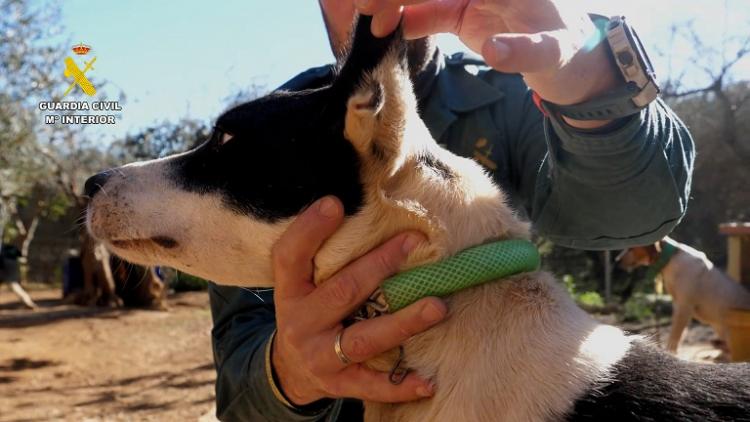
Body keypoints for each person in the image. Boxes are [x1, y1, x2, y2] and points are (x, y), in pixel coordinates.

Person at [209, 1, 694, 420]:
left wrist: (596, 87)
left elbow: (634, 216)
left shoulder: (513, 89)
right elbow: (238, 389)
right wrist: (291, 373)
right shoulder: (261, 134)